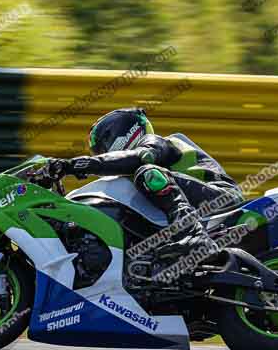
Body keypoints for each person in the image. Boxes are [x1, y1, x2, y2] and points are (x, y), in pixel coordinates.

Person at [47, 107, 244, 265]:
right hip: (198, 206)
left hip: (220, 199)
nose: (102, 155)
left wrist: (74, 165)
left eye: (103, 150)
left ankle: (193, 235)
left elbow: (138, 158)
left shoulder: (158, 143)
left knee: (147, 172)